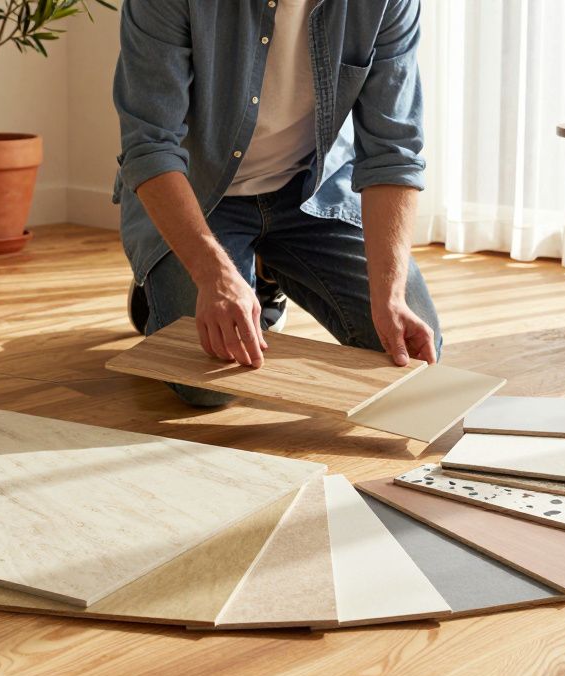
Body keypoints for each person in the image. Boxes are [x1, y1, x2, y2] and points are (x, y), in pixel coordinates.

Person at [113, 0, 442, 407]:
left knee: (408, 353)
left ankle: (262, 274)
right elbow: (150, 148)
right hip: (201, 200)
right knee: (208, 387)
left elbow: (392, 152)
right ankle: (177, 276)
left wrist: (390, 294)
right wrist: (213, 277)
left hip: (312, 191)